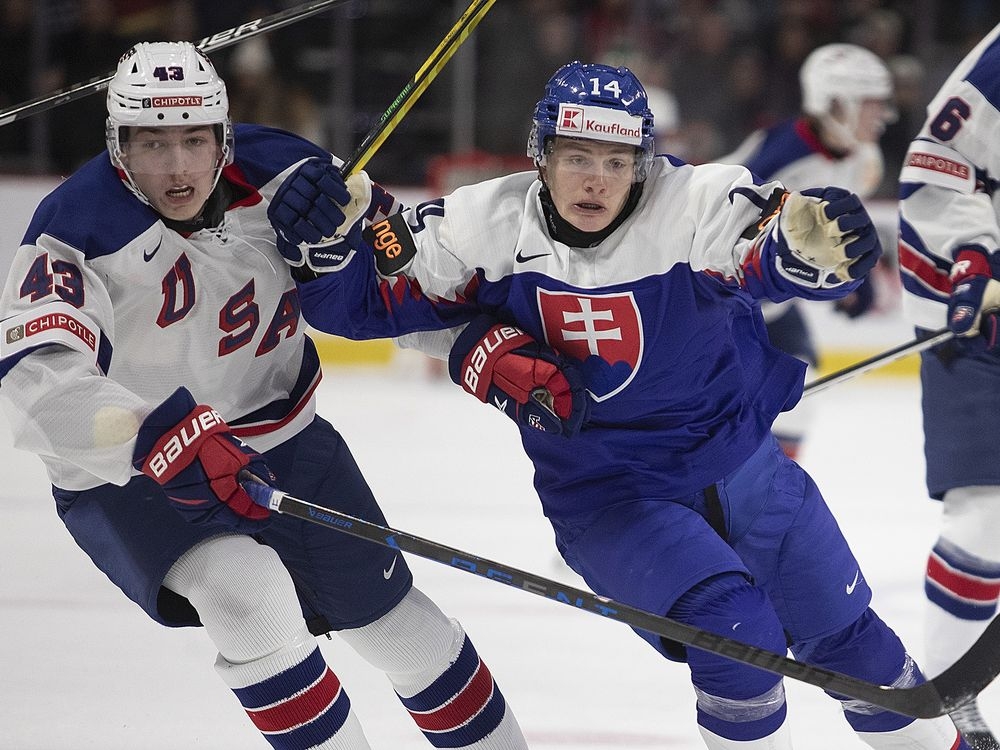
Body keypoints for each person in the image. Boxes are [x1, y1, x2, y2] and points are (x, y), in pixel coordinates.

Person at [267, 61, 971, 749]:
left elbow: (768, 249)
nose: (596, 178)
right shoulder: (483, 226)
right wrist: (323, 246)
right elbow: (360, 302)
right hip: (610, 495)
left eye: (616, 159)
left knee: (862, 653)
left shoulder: (694, 203)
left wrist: (811, 250)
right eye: (576, 156)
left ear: (645, 161)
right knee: (735, 631)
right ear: (540, 156)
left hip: (750, 471)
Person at [0, 41, 528, 750]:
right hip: (140, 474)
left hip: (286, 443)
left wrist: (462, 340)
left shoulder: (285, 173)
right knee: (247, 595)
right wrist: (148, 435)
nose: (180, 166)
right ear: (116, 144)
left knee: (403, 629)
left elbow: (393, 281)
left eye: (196, 139)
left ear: (224, 132)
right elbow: (42, 381)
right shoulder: (75, 229)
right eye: (153, 143)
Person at [896, 22, 1000, 750]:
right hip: (984, 317)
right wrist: (974, 254)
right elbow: (938, 161)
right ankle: (950, 696)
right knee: (987, 518)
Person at [718, 42, 896, 459]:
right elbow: (726, 239)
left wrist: (852, 280)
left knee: (800, 395)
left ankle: (764, 494)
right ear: (837, 102)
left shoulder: (861, 160)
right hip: (725, 302)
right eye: (872, 104)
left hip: (770, 304)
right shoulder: (779, 162)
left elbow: (824, 233)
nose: (883, 116)